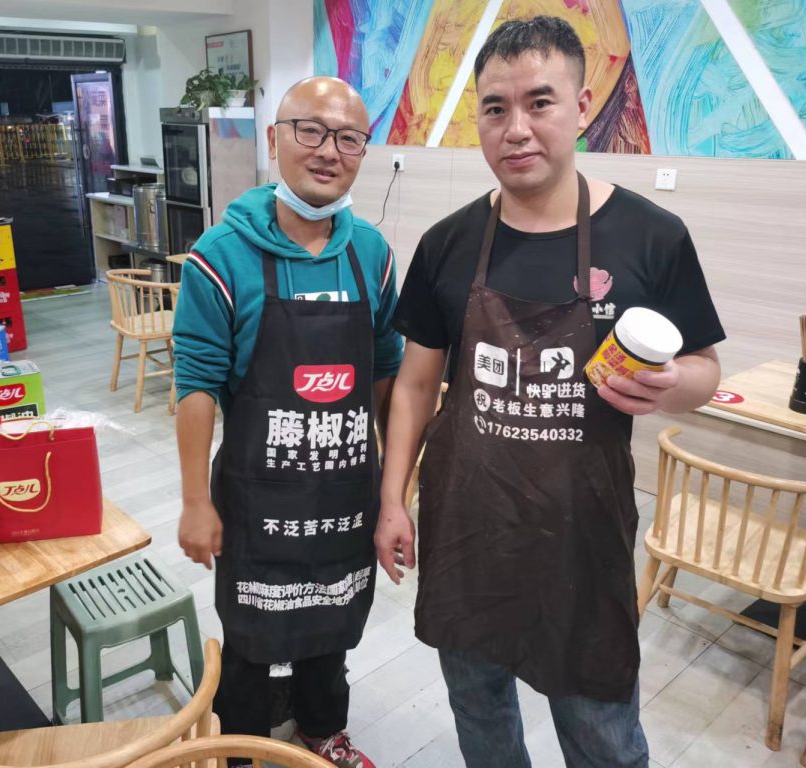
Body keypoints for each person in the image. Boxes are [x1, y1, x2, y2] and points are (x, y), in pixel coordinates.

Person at [375, 16, 725, 768]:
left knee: (602, 734)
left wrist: (671, 385)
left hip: (581, 537)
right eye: (495, 108)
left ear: (582, 104)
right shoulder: (447, 243)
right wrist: (392, 498)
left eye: (540, 102)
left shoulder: (651, 236)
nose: (517, 129)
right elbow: (415, 385)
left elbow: (705, 369)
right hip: (467, 531)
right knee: (480, 715)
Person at [173, 76, 403, 768]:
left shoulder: (372, 254)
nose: (329, 150)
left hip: (344, 492)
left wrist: (394, 488)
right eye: (311, 130)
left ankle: (321, 729)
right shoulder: (221, 254)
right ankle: (240, 745)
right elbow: (196, 384)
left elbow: (387, 371)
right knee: (250, 635)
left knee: (331, 621)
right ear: (274, 140)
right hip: (257, 498)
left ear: (362, 152)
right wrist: (195, 501)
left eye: (349, 138)